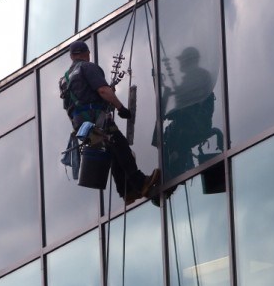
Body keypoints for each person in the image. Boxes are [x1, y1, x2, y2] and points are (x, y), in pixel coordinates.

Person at [61, 40, 160, 204]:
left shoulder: (64, 80)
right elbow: (103, 90)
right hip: (97, 121)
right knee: (121, 147)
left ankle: (126, 192)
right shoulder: (88, 67)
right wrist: (121, 108)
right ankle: (141, 182)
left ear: (72, 56)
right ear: (87, 53)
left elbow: (71, 106)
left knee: (114, 153)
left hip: (82, 127)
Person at [160, 46, 216, 179]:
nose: (180, 63)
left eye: (182, 60)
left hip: (194, 124)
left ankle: (174, 167)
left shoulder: (198, 77)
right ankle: (172, 165)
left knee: (170, 141)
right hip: (190, 122)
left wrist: (174, 111)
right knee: (167, 138)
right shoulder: (194, 77)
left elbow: (190, 103)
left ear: (189, 61)